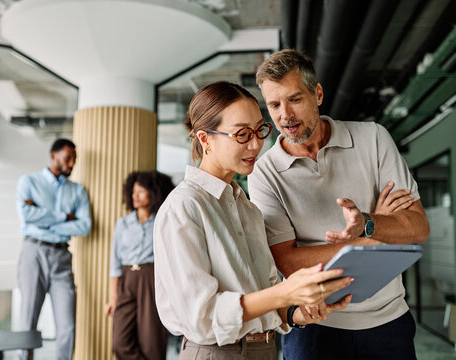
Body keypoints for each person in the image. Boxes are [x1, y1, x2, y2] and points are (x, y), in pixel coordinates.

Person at [248, 49, 430, 360]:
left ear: (317, 94)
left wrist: (367, 221)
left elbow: (418, 228)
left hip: (387, 320)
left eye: (295, 99)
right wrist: (371, 237)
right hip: (315, 326)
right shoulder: (264, 173)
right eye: (274, 105)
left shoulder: (372, 139)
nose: (285, 116)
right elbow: (288, 263)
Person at [153, 81, 355, 360]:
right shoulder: (184, 207)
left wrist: (297, 312)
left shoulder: (248, 210)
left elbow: (265, 292)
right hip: (216, 353)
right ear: (205, 139)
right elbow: (200, 317)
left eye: (259, 130)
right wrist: (285, 293)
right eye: (242, 134)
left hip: (265, 349)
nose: (256, 144)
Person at [16, 138, 91, 360]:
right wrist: (63, 217)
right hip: (33, 253)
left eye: (74, 160)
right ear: (53, 155)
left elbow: (84, 226)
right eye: (68, 158)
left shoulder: (78, 191)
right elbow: (26, 215)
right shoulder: (29, 182)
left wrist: (44, 218)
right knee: (27, 321)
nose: (71, 165)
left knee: (67, 325)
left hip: (62, 256)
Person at [104, 170, 175, 360]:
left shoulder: (162, 221)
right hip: (127, 280)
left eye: (141, 191)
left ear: (153, 192)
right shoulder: (122, 224)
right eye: (133, 191)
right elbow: (115, 262)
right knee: (120, 343)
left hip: (151, 279)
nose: (135, 196)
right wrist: (113, 297)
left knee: (152, 341)